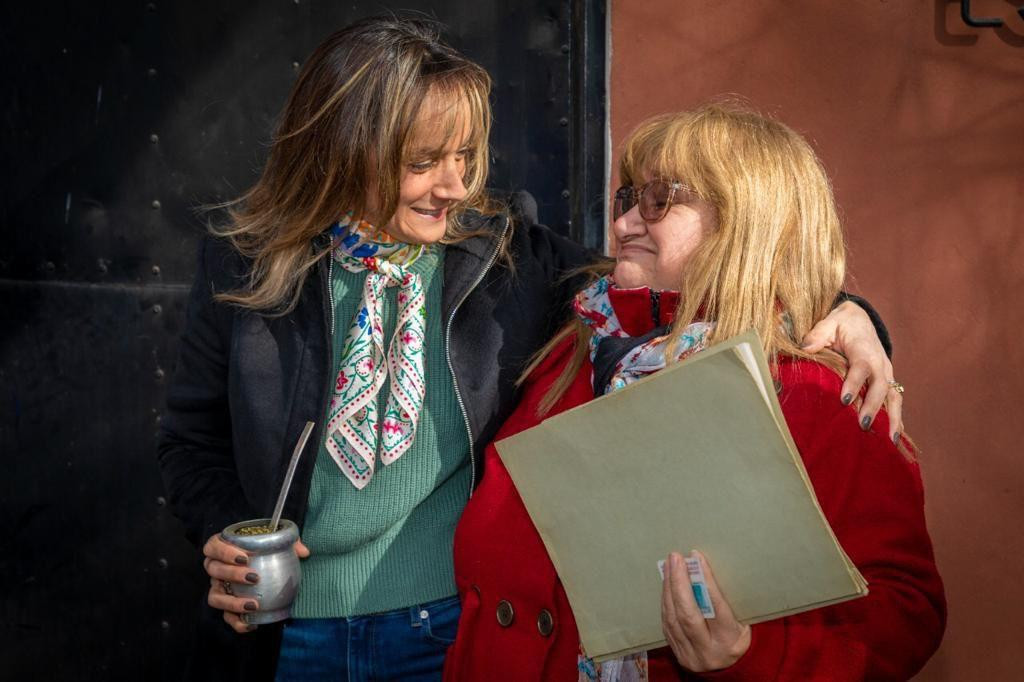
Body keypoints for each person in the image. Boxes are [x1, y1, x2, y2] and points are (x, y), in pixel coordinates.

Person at [157, 17, 898, 682]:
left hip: (442, 631)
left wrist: (845, 312)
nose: (453, 186)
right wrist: (225, 529)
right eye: (423, 161)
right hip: (283, 639)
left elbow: (668, 286)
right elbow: (190, 441)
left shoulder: (510, 257)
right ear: (348, 150)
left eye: (466, 156)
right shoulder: (244, 267)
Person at [443, 104, 945, 681]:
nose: (625, 224)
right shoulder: (575, 347)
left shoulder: (815, 395)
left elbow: (903, 616)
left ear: (742, 221)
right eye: (627, 199)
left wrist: (750, 655)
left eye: (659, 201)